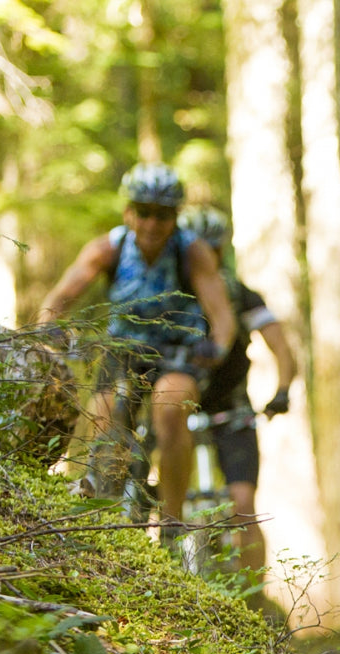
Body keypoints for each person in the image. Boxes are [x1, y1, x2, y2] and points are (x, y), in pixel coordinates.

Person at [38, 164, 236, 538]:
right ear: (129, 212)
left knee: (169, 406)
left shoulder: (191, 252)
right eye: (143, 212)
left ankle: (172, 523)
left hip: (178, 352)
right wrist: (51, 326)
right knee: (101, 418)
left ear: (175, 217)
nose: (151, 224)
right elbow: (60, 298)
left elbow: (222, 314)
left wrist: (217, 345)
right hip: (123, 350)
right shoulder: (107, 249)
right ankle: (101, 513)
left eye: (162, 215)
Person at [176, 205, 297, 576]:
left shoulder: (242, 296)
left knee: (243, 505)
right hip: (177, 410)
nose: (205, 257)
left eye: (212, 248)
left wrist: (282, 388)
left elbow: (281, 347)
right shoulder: (167, 297)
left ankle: (255, 600)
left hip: (231, 410)